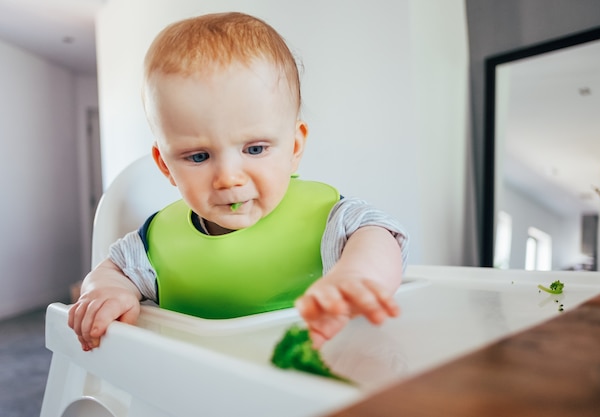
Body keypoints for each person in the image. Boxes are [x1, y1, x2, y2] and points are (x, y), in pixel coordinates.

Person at [68, 12, 409, 352]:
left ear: (294, 147)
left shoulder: (332, 223)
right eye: (198, 156)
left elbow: (379, 236)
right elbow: (111, 270)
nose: (228, 178)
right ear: (166, 165)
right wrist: (107, 290)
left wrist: (355, 277)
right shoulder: (152, 245)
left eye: (255, 148)